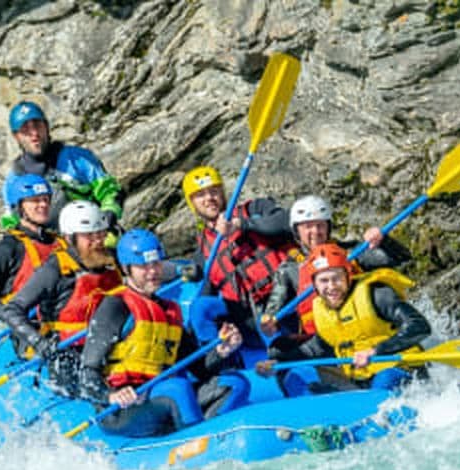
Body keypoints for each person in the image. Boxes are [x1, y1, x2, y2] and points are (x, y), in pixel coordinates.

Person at [78, 229, 247, 438]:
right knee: (177, 389)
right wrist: (111, 396)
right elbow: (86, 374)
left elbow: (197, 367)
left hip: (160, 396)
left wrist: (221, 351)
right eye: (143, 266)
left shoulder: (170, 311)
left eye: (156, 264)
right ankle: (195, 444)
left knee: (235, 383)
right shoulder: (115, 306)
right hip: (123, 410)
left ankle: (212, 439)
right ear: (126, 268)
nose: (152, 272)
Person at [258, 243, 431, 394]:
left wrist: (376, 350)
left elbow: (420, 326)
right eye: (324, 281)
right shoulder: (322, 309)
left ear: (348, 276)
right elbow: (316, 348)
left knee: (384, 381)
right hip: (361, 379)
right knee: (311, 387)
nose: (331, 287)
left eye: (337, 278)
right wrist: (277, 362)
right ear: (315, 285)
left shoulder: (376, 294)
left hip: (400, 369)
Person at [3, 202, 123, 395]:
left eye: (100, 233)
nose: (98, 240)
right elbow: (13, 310)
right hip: (70, 352)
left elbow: (144, 269)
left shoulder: (112, 259)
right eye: (89, 236)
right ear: (70, 238)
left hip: (113, 342)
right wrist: (40, 343)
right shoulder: (54, 270)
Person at [260, 194, 412, 340]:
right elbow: (274, 307)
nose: (315, 232)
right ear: (297, 231)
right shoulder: (289, 269)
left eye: (320, 225)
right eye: (308, 226)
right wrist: (269, 322)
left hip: (364, 329)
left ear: (328, 227)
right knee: (278, 349)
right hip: (324, 339)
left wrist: (384, 240)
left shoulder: (351, 253)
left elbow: (401, 258)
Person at [182, 165, 297, 347]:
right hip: (249, 318)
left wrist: (242, 225)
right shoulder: (203, 251)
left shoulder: (254, 209)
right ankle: (219, 359)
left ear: (223, 193)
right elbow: (205, 292)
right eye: (201, 195)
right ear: (192, 203)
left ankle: (283, 351)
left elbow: (286, 220)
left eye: (214, 191)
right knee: (200, 308)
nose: (209, 199)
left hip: (287, 298)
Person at [2, 100, 124, 238]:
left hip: (96, 234)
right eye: (25, 129)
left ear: (46, 127)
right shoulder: (14, 181)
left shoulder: (78, 159)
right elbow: (11, 222)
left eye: (37, 125)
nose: (34, 133)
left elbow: (111, 191)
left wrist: (108, 215)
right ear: (16, 136)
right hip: (50, 247)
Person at [0, 174, 65, 324]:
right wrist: (11, 315)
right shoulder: (8, 248)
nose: (43, 205)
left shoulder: (60, 242)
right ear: (20, 207)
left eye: (46, 199)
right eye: (36, 200)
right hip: (28, 328)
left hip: (62, 323)